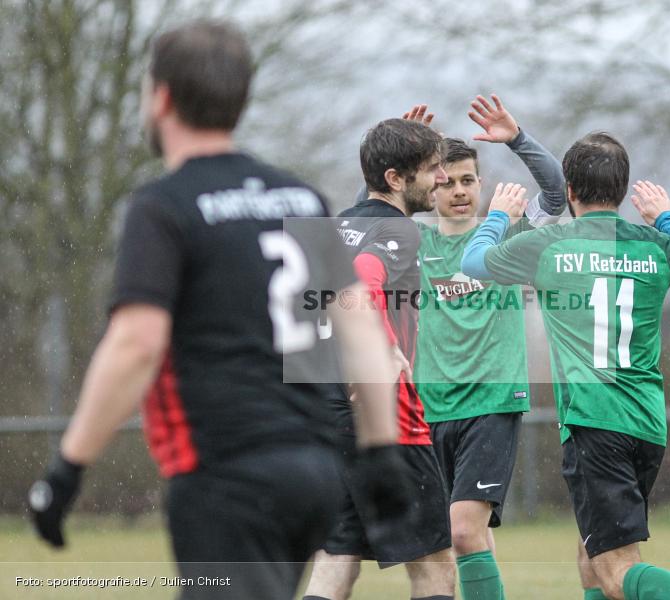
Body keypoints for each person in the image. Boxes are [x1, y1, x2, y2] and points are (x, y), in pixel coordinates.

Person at [27, 20, 406, 600]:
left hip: (227, 475)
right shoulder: (300, 196)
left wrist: (67, 469)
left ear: (160, 98)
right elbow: (359, 323)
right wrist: (380, 451)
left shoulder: (164, 206)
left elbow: (137, 344)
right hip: (312, 472)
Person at [461, 132, 670, 600]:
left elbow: (473, 263)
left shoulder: (548, 244)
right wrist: (667, 219)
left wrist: (499, 216)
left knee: (616, 569)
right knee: (590, 551)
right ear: (622, 191)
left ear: (570, 192)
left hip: (595, 423)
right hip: (646, 423)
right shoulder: (654, 244)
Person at [413, 95, 565, 600]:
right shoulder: (415, 243)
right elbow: (363, 221)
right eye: (445, 181)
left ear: (481, 183)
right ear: (428, 188)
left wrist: (518, 138)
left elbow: (557, 192)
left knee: (462, 530)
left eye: (467, 180)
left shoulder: (506, 237)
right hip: (432, 406)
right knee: (457, 540)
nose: (458, 191)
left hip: (493, 404)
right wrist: (402, 149)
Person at [303, 117, 456, 600]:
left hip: (325, 415)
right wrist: (385, 349)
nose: (444, 179)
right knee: (433, 566)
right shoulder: (400, 231)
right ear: (395, 178)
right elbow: (363, 286)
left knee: (337, 561)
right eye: (433, 168)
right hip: (385, 415)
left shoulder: (339, 226)